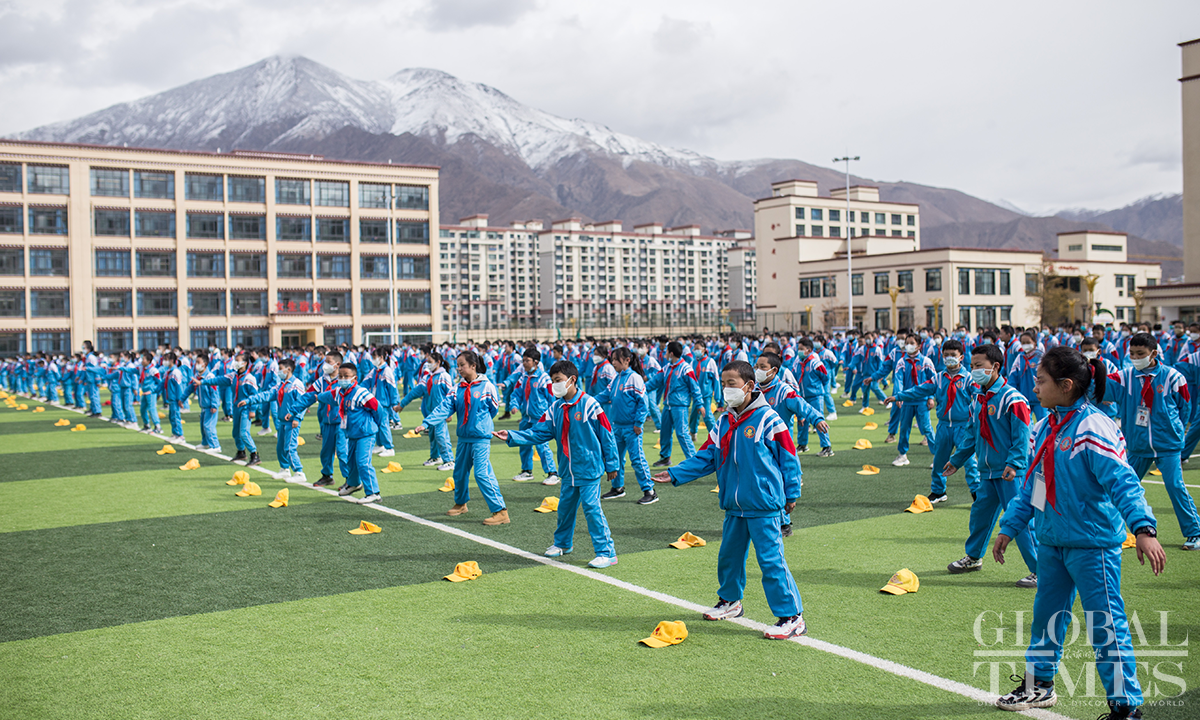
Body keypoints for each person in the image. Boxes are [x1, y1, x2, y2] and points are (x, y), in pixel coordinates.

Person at [991, 346, 1165, 719]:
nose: (1034, 388)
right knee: (1046, 618)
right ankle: (1039, 685)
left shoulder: (1094, 427)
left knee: (1106, 626)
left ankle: (1126, 707)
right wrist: (1010, 526)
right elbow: (1035, 486)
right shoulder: (1045, 426)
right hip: (1052, 542)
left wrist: (1143, 528)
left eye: (1041, 381)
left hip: (1092, 546)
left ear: (1066, 385)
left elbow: (1123, 483)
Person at [652, 360, 807, 640]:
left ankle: (792, 617)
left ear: (749, 386)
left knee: (771, 562)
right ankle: (730, 602)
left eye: (731, 384)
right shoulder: (724, 421)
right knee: (729, 557)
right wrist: (675, 473)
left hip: (763, 506)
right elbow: (707, 456)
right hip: (735, 507)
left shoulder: (769, 419)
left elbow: (789, 458)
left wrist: (791, 493)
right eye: (723, 384)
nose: (726, 389)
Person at [495, 360, 620, 568]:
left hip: (588, 469)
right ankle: (563, 543)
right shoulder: (555, 408)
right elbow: (538, 432)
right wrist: (512, 436)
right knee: (565, 509)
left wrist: (612, 464)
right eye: (553, 381)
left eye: (558, 380)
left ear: (572, 380)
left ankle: (607, 552)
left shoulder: (590, 404)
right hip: (568, 471)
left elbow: (606, 433)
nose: (554, 385)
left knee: (592, 509)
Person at [943, 343, 1038, 587]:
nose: (973, 370)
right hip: (987, 472)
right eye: (972, 365)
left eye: (978, 366)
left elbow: (1022, 435)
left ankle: (1041, 570)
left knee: (1020, 520)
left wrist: (1015, 463)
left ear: (995, 366)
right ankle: (974, 557)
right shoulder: (978, 398)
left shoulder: (1013, 398)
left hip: (1010, 473)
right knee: (980, 515)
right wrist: (957, 460)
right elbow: (971, 434)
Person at [1104, 332, 1200, 550]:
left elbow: (1185, 407)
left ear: (1153, 353)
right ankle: (1107, 530)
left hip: (1167, 445)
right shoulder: (1124, 377)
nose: (1136, 358)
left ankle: (1195, 532)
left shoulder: (1173, 377)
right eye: (1132, 353)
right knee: (1121, 486)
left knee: (1175, 486)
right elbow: (1101, 390)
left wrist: (1174, 429)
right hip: (1138, 446)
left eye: (1141, 354)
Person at [417, 350, 509, 525]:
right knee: (459, 473)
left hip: (480, 438)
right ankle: (460, 504)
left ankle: (500, 511)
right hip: (464, 438)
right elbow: (445, 407)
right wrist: (427, 423)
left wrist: (480, 424)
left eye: (462, 365)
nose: (458, 369)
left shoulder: (487, 387)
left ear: (473, 366)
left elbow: (493, 410)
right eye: (458, 365)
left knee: (482, 473)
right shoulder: (457, 388)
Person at [889, 339, 979, 503]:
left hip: (963, 427)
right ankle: (938, 491)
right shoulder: (938, 378)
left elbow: (980, 397)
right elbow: (919, 390)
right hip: (944, 426)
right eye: (946, 355)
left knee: (969, 462)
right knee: (939, 460)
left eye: (953, 355)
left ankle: (976, 493)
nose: (949, 358)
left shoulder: (969, 379)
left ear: (961, 357)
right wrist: (899, 396)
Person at [312, 363, 384, 503]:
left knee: (363, 462)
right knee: (351, 462)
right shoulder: (340, 392)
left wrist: (375, 424)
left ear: (354, 378)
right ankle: (353, 484)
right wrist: (316, 397)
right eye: (340, 376)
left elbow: (377, 409)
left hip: (365, 433)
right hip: (352, 434)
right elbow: (327, 396)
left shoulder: (361, 392)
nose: (342, 379)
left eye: (346, 376)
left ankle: (373, 492)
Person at [595, 347, 657, 504]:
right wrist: (588, 400)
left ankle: (650, 491)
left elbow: (643, 403)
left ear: (627, 360)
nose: (613, 363)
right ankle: (617, 488)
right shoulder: (617, 378)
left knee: (637, 459)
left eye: (616, 359)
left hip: (631, 428)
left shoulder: (635, 378)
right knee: (615, 458)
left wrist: (638, 422)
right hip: (617, 427)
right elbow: (605, 395)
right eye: (612, 359)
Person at [500, 347, 560, 485]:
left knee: (542, 446)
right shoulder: (523, 377)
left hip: (540, 418)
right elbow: (516, 393)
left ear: (536, 362)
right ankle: (527, 471)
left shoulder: (544, 378)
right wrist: (514, 405)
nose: (524, 363)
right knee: (523, 443)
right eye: (523, 361)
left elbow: (551, 398)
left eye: (527, 361)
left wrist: (552, 415)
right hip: (526, 418)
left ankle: (552, 473)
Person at [243, 358, 308, 482]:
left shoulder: (296, 384)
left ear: (288, 369)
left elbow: (303, 402)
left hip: (292, 421)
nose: (278, 372)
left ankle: (299, 472)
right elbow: (267, 394)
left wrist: (297, 417)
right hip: (282, 420)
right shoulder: (281, 385)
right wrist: (249, 400)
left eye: (280, 369)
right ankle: (284, 469)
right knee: (280, 447)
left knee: (290, 447)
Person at [646, 341, 705, 468]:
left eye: (667, 351)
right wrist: (640, 390)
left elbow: (695, 387)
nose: (665, 354)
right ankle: (665, 457)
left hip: (680, 406)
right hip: (667, 405)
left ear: (671, 353)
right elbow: (654, 382)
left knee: (682, 433)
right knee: (665, 432)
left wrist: (699, 404)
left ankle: (694, 461)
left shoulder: (686, 369)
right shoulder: (666, 368)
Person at [298, 350, 349, 487]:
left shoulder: (344, 381)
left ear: (337, 364)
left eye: (328, 362)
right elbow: (308, 396)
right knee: (326, 451)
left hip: (341, 422)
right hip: (326, 421)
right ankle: (327, 476)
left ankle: (349, 480)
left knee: (342, 451)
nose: (324, 364)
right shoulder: (322, 381)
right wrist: (294, 411)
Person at [199, 353, 261, 466]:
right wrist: (203, 382)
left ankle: (254, 454)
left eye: (237, 360)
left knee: (244, 432)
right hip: (236, 408)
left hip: (246, 409)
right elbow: (218, 380)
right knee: (236, 432)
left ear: (245, 363)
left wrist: (253, 410)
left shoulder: (249, 378)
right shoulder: (233, 376)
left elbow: (255, 395)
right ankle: (241, 452)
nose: (235, 362)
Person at [399, 350, 456, 471]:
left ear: (438, 362)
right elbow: (416, 392)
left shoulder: (444, 376)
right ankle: (435, 457)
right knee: (433, 435)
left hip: (441, 413)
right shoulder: (427, 377)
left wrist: (449, 412)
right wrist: (402, 404)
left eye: (430, 362)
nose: (428, 364)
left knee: (441, 435)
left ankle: (449, 460)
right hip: (431, 413)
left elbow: (451, 394)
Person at [883, 333, 934, 466]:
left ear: (919, 345)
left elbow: (933, 381)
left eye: (912, 343)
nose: (908, 346)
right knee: (904, 428)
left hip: (922, 400)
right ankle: (902, 455)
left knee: (927, 428)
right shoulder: (901, 362)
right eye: (907, 343)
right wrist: (898, 396)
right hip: (907, 401)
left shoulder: (926, 362)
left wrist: (931, 397)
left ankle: (938, 456)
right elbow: (898, 380)